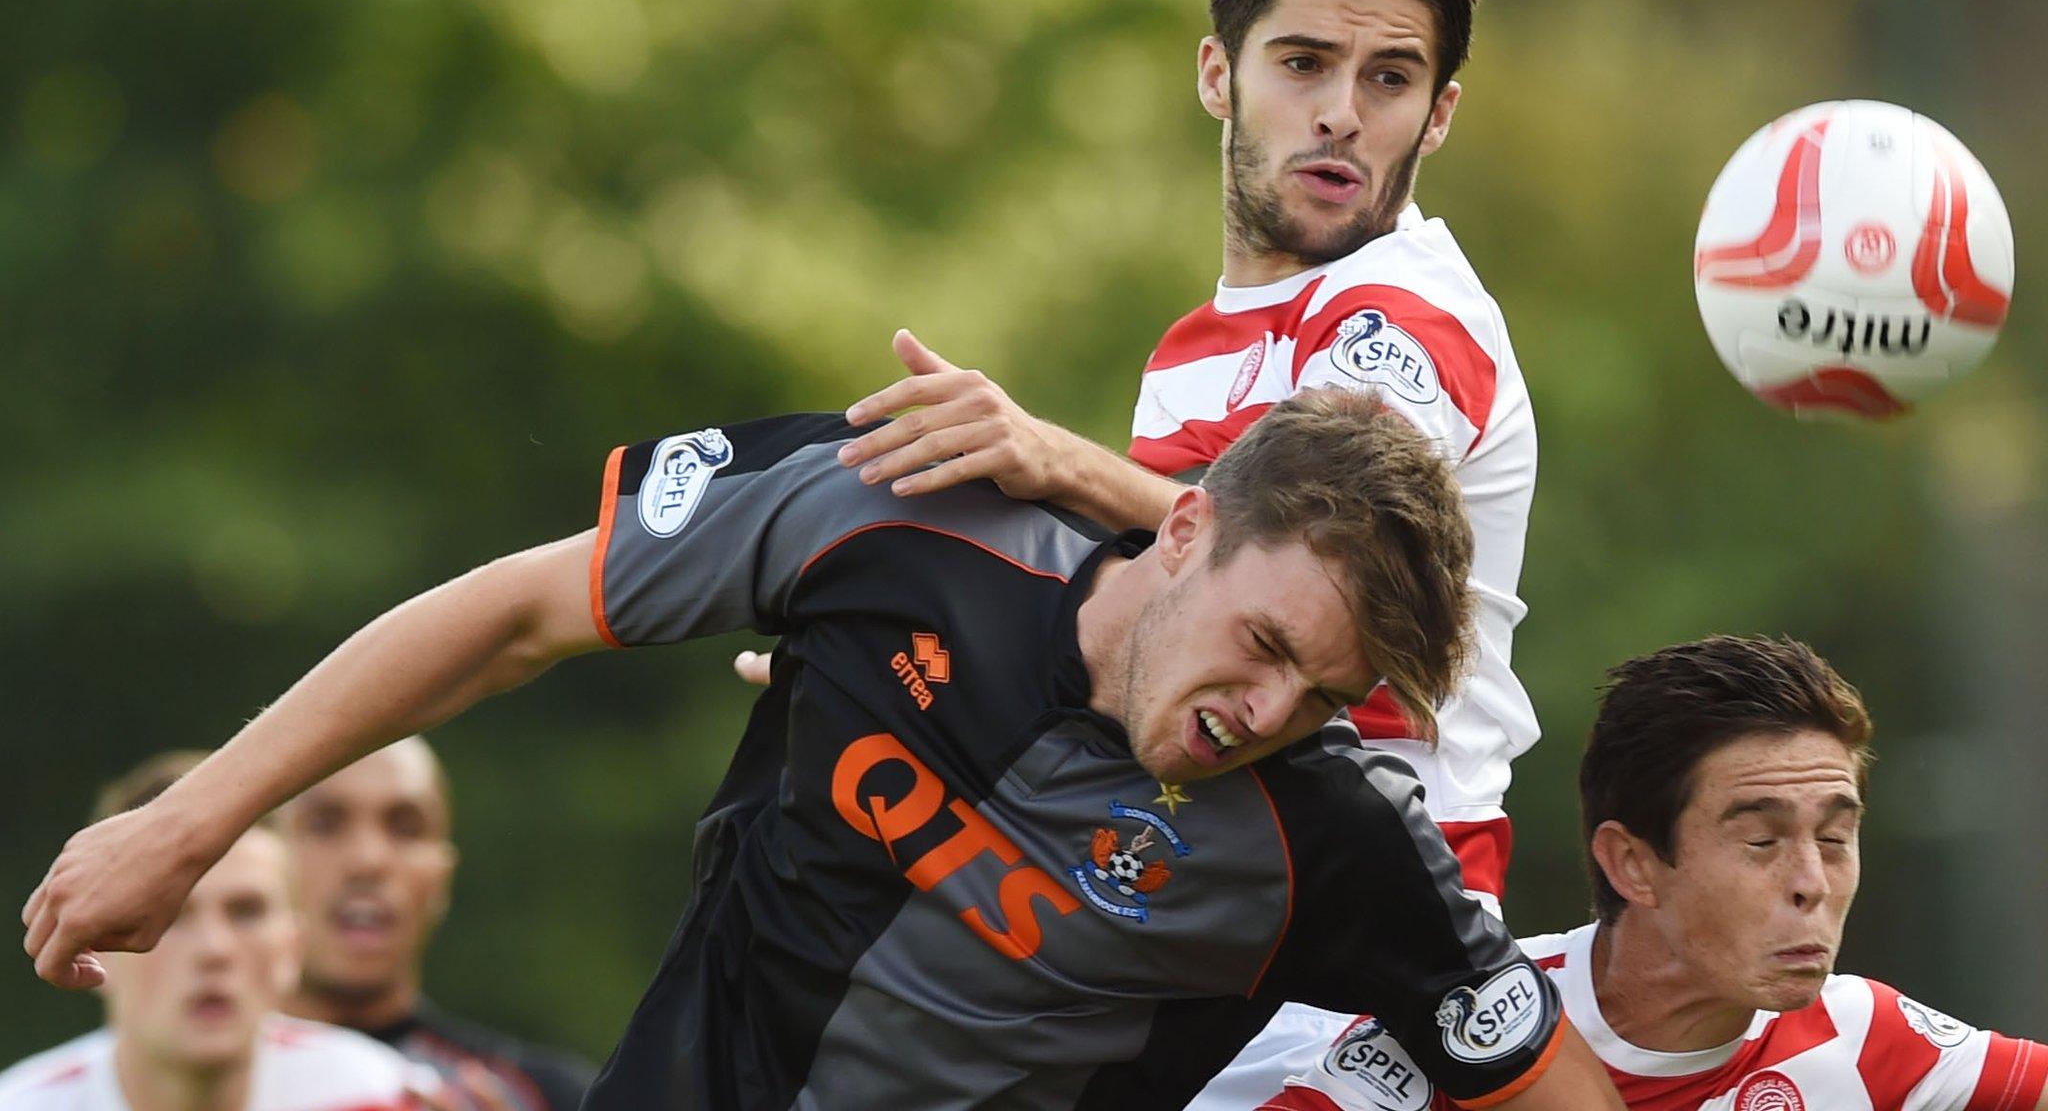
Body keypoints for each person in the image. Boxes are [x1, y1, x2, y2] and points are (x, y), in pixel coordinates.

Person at [22, 393, 1624, 1109]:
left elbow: (1539, 1073)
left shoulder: (1326, 836)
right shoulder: (896, 515)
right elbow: (513, 616)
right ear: (1183, 526)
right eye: (1266, 648)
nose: (1264, 713)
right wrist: (192, 821)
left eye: (1318, 696)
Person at [820, 0, 1532, 912]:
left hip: (1373, 898)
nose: (1342, 115)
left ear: (1438, 115)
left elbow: (1317, 564)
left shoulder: (1398, 323)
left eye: (1389, 79)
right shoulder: (1193, 349)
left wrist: (1055, 460)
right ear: (1216, 75)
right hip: (1201, 869)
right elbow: (1143, 613)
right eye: (1303, 62)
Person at [1187, 636, 2048, 1110]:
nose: (1811, 883)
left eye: (1834, 838)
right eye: (1762, 841)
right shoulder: (1464, 1029)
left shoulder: (1869, 1041)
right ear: (1632, 862)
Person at [0, 754, 431, 1111]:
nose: (215, 949)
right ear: (95, 950)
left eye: (246, 912)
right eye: (168, 917)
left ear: (293, 945)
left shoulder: (383, 1096)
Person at [276, 740, 596, 1111]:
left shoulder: (552, 1097)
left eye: (406, 828)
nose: (367, 860)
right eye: (326, 825)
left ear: (443, 878)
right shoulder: (202, 1083)